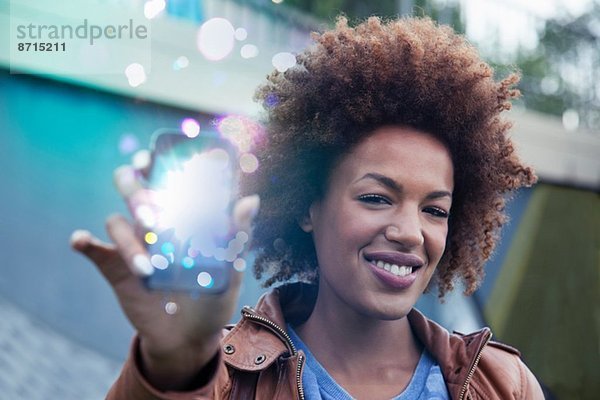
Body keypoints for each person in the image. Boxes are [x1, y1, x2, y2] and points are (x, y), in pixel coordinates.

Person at [71, 16, 545, 399]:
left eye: (435, 210)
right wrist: (174, 369)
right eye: (377, 198)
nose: (409, 232)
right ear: (306, 206)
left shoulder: (505, 385)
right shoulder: (218, 382)